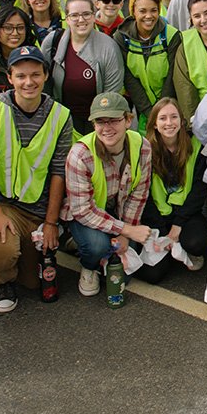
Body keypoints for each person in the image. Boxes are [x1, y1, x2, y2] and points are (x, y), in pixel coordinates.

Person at [0, 45, 74, 313]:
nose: (29, 82)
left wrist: (51, 222)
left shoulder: (61, 116)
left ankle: (25, 260)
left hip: (39, 210)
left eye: (35, 75)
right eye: (21, 76)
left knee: (32, 281)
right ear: (10, 78)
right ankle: (2, 282)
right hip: (3, 204)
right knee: (3, 252)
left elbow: (58, 172)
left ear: (45, 76)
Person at [62, 91, 153, 301]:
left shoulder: (143, 146)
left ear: (128, 120)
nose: (106, 128)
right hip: (84, 215)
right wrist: (128, 230)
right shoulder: (80, 155)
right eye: (100, 122)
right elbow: (82, 210)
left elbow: (139, 194)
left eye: (113, 120)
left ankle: (88, 247)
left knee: (126, 272)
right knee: (97, 246)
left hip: (117, 211)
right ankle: (88, 265)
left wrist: (125, 234)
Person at [134, 98, 207, 281]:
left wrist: (178, 225)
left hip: (186, 214)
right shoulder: (144, 150)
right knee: (153, 275)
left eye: (174, 117)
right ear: (154, 124)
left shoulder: (196, 145)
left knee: (197, 243)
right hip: (156, 217)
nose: (169, 123)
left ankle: (183, 246)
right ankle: (168, 251)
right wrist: (162, 233)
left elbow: (200, 189)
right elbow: (143, 195)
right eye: (163, 118)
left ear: (181, 121)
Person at [42, 0, 126, 135]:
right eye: (74, 15)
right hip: (59, 122)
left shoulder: (109, 47)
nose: (81, 20)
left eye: (86, 14)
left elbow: (112, 93)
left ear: (94, 16)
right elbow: (42, 80)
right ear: (67, 19)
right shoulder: (53, 42)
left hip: (96, 123)